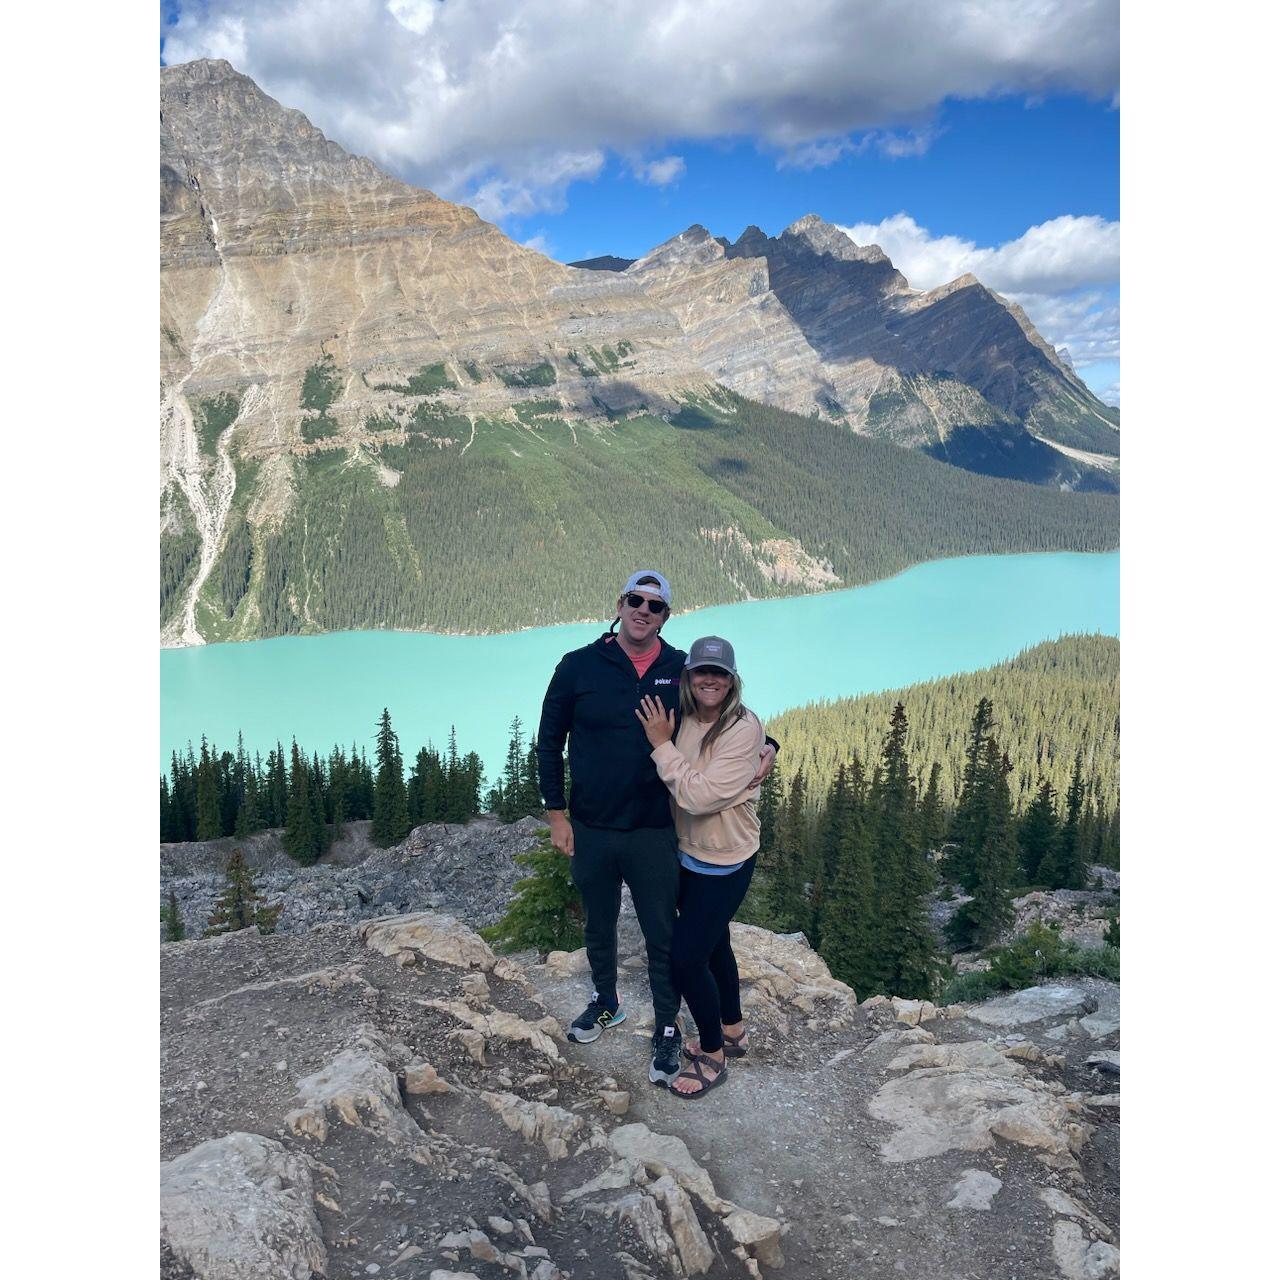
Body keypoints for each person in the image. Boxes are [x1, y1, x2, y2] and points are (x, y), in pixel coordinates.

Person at [536, 572, 776, 1085]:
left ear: (666, 616)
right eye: (635, 600)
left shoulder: (678, 668)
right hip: (593, 827)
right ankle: (606, 1002)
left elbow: (727, 714)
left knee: (663, 934)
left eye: (655, 605)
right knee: (598, 923)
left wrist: (769, 743)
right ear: (619, 604)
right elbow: (549, 741)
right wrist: (557, 813)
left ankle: (668, 1026)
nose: (643, 610)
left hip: (654, 830)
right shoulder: (578, 666)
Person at [636, 635, 761, 1098]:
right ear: (689, 676)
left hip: (726, 860)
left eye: (720, 673)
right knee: (714, 946)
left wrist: (660, 745)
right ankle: (733, 1030)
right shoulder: (684, 716)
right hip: (689, 854)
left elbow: (698, 796)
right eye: (702, 671)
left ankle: (712, 1053)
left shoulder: (742, 729)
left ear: (732, 682)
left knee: (686, 959)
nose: (711, 679)